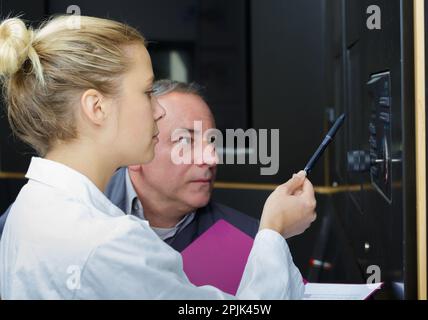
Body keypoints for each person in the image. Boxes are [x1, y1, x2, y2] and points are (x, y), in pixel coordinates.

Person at [0, 15, 316, 299]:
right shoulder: (111, 243)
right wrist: (272, 231)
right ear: (97, 108)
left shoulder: (27, 208)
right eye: (147, 92)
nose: (158, 109)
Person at [105, 79, 259, 252]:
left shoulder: (247, 241)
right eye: (186, 141)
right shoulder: (79, 212)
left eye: (212, 141)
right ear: (134, 152)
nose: (212, 158)